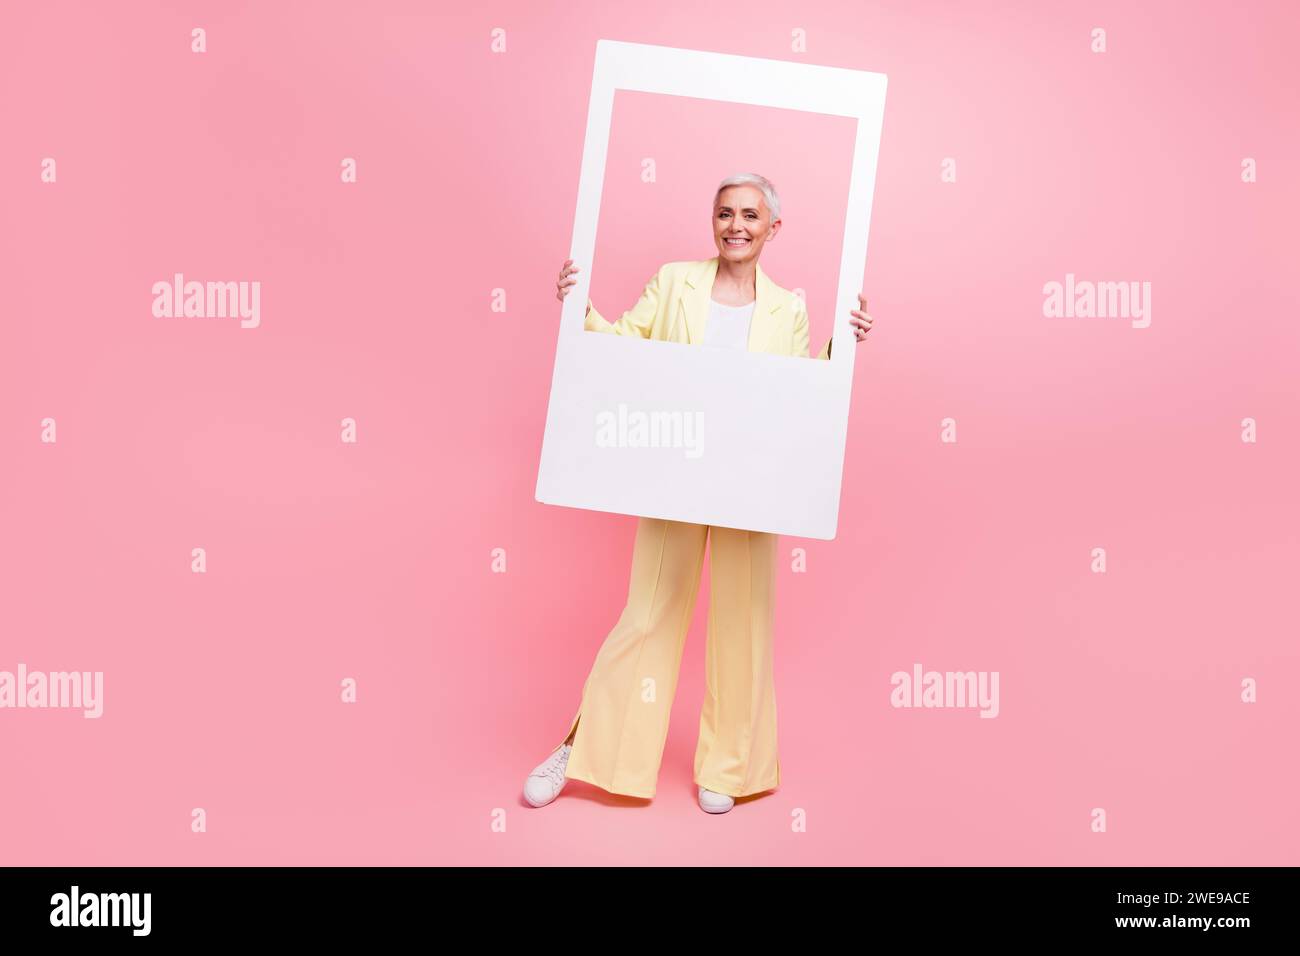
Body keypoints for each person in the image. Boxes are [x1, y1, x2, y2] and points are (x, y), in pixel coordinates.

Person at [525, 173, 874, 814]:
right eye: (724, 213)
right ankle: (585, 751)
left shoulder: (788, 308)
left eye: (749, 214)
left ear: (773, 228)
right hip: (674, 475)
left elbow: (799, 394)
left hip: (751, 486)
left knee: (744, 624)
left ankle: (729, 768)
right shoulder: (673, 282)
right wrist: (581, 311)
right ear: (712, 221)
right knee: (647, 615)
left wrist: (841, 348)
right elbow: (623, 349)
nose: (735, 225)